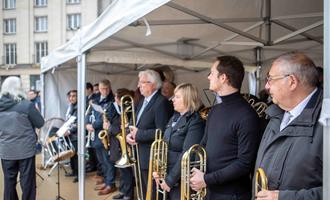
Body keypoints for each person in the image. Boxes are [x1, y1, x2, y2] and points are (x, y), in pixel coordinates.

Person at [189, 56, 260, 199]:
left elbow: (244, 164)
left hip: (232, 195)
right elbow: (204, 144)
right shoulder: (215, 110)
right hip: (210, 191)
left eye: (212, 73)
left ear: (223, 78)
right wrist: (194, 171)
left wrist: (206, 179)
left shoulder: (247, 115)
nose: (208, 77)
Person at [253, 52, 322, 200]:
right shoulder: (275, 115)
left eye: (270, 79)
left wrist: (283, 198)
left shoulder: (325, 122)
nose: (266, 86)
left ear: (291, 81)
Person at [153, 83, 205, 199]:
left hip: (179, 180)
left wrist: (170, 179)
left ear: (187, 99)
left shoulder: (195, 121)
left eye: (177, 97)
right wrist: (157, 171)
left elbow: (187, 154)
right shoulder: (174, 117)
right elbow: (163, 146)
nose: (173, 100)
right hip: (166, 175)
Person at [127, 69, 173, 199]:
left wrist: (139, 134)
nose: (138, 85)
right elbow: (134, 122)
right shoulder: (143, 100)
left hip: (151, 157)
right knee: (143, 190)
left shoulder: (161, 102)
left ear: (152, 84)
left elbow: (162, 132)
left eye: (142, 82)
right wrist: (129, 135)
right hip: (139, 153)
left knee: (151, 193)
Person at [0, 76, 45, 200]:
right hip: (25, 150)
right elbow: (40, 123)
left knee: (9, 183)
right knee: (27, 184)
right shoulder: (26, 105)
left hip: (6, 151)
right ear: (19, 88)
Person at [86, 79, 117, 195]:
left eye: (107, 88)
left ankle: (111, 183)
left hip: (105, 136)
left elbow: (106, 117)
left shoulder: (112, 100)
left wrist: (92, 125)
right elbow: (88, 113)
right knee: (101, 161)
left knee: (108, 161)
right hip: (95, 136)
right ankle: (106, 180)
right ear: (99, 88)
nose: (105, 91)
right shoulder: (95, 99)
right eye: (103, 88)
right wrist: (86, 124)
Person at [105, 88, 135, 200]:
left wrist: (109, 128)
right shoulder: (122, 110)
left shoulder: (128, 110)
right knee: (122, 171)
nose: (115, 100)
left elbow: (119, 128)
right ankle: (123, 191)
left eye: (116, 97)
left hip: (123, 145)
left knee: (126, 172)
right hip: (117, 144)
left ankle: (128, 194)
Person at [63, 90, 79, 183]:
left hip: (76, 136)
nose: (71, 98)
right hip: (70, 135)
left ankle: (78, 175)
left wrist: (69, 130)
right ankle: (73, 171)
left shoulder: (79, 107)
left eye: (74, 96)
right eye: (70, 96)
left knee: (76, 156)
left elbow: (78, 123)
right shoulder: (70, 106)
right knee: (71, 155)